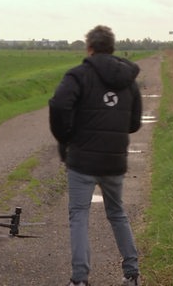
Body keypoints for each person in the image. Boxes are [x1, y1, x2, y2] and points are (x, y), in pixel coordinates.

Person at [49, 25, 142, 286]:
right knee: (117, 213)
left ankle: (80, 279)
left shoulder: (78, 75)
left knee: (79, 215)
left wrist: (65, 137)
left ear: (89, 47)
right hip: (115, 160)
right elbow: (134, 124)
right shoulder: (129, 80)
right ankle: (132, 273)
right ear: (112, 47)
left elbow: (58, 105)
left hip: (81, 160)